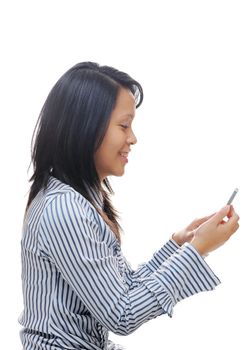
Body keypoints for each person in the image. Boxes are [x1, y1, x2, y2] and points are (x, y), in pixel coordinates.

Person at [18, 61, 240, 350]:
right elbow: (122, 313)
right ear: (85, 129)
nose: (132, 138)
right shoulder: (64, 210)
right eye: (124, 125)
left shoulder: (78, 199)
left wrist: (180, 245)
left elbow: (123, 288)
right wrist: (196, 250)